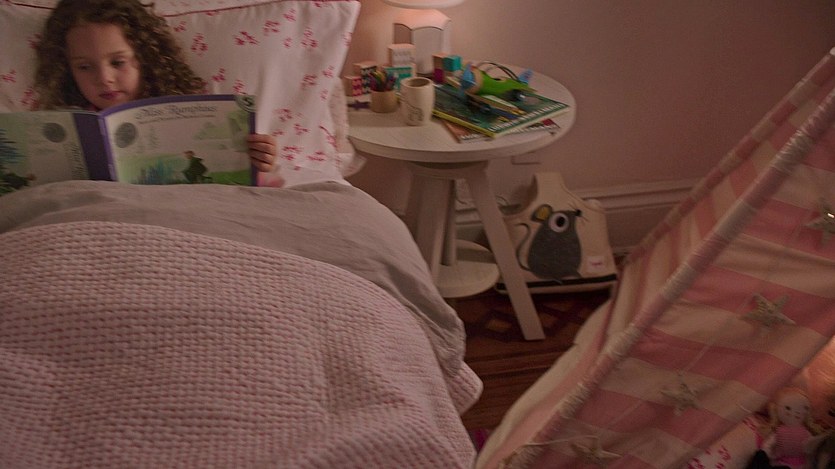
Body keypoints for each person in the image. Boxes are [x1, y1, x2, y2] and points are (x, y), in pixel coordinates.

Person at [32, 0, 276, 174]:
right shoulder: (63, 124)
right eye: (85, 67)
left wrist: (260, 160)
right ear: (67, 70)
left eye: (118, 62)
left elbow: (240, 185)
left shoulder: (190, 113)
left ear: (145, 56)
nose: (104, 78)